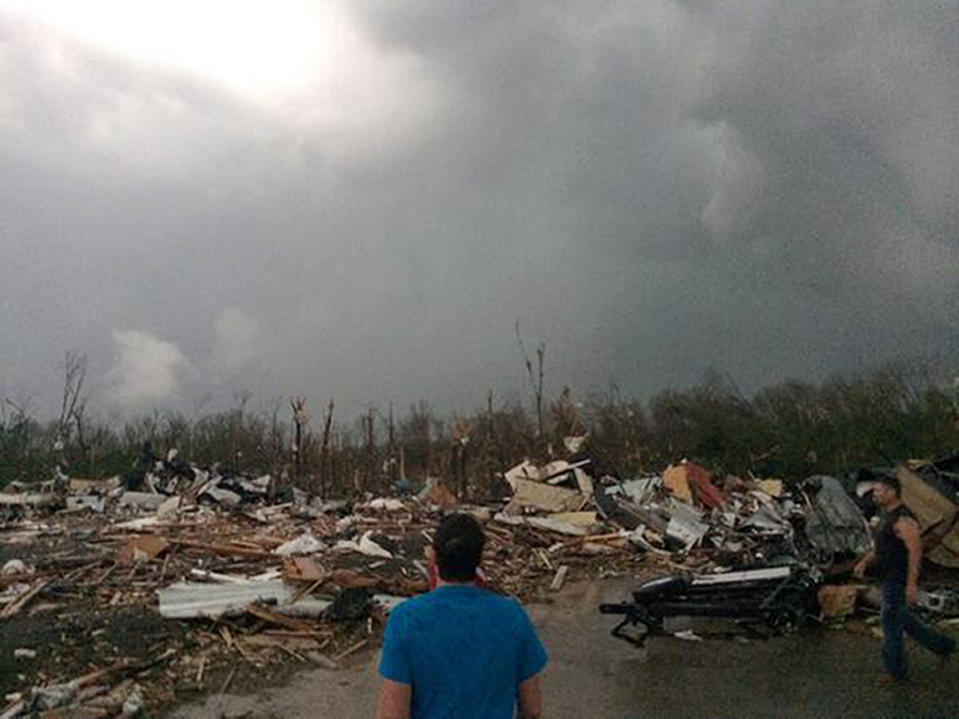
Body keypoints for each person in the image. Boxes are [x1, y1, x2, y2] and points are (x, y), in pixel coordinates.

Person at [375, 513, 547, 719]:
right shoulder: (512, 616)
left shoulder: (406, 619)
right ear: (479, 560)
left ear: (433, 558)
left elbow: (392, 714)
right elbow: (532, 708)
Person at [854, 475, 955, 684]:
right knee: (900, 617)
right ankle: (943, 645)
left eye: (879, 491)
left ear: (892, 492)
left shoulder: (904, 519)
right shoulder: (887, 516)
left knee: (890, 621)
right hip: (887, 574)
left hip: (898, 577)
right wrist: (864, 562)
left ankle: (895, 669)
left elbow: (915, 551)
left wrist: (911, 583)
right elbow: (881, 546)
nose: (875, 494)